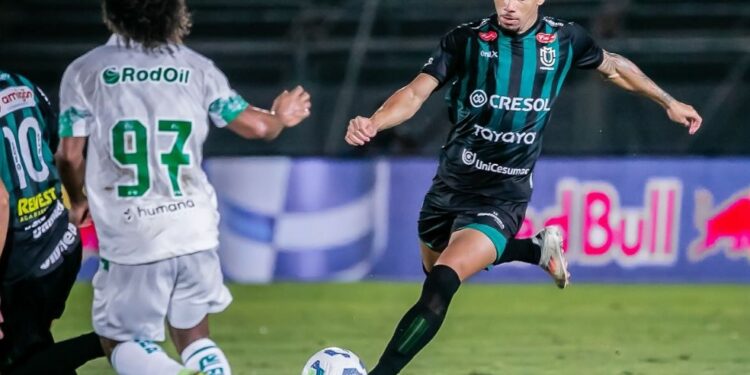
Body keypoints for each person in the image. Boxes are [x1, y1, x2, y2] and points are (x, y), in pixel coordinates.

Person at [345, 0, 702, 374]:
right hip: (449, 186)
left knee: (440, 285)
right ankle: (534, 250)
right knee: (434, 269)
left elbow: (613, 67)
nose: (509, 6)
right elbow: (416, 92)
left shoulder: (564, 40)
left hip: (503, 193)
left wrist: (668, 101)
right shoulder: (466, 40)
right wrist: (375, 121)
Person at [55, 1, 312, 374]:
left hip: (133, 229)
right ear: (175, 15)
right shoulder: (196, 68)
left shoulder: (86, 70)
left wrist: (78, 201)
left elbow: (69, 156)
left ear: (113, 13)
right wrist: (280, 118)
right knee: (194, 337)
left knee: (120, 341)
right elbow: (258, 127)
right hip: (195, 227)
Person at [0, 70, 104, 374]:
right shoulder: (20, 84)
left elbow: (1, 202)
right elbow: (63, 152)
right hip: (58, 241)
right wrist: (79, 199)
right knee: (30, 348)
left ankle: (111, 341)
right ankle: (111, 341)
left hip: (18, 260)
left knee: (18, 360)